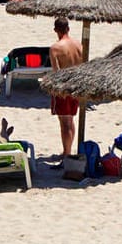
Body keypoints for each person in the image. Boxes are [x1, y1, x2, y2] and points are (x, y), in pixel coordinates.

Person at [48, 17, 84, 159]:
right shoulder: (79, 45)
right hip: (76, 86)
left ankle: (67, 153)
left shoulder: (55, 48)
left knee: (64, 123)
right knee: (70, 120)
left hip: (62, 88)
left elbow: (56, 72)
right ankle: (68, 150)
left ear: (55, 30)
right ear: (68, 28)